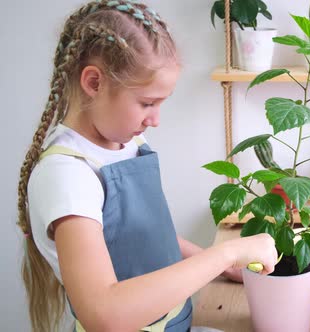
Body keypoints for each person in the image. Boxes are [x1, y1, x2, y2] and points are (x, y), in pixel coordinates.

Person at [16, 1, 277, 331]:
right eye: (146, 103)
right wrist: (225, 255)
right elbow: (104, 313)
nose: (155, 120)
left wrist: (223, 266)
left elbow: (148, 235)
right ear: (94, 83)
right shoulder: (67, 177)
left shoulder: (124, 142)